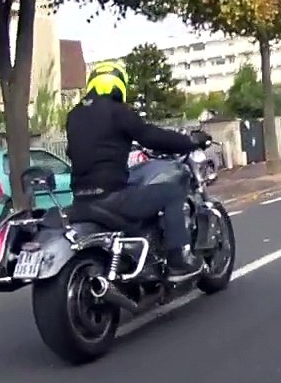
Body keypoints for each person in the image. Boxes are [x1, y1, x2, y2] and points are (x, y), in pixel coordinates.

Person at [65, 62, 211, 281]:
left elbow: (74, 150)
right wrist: (188, 142)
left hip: (80, 201)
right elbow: (150, 136)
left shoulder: (74, 115)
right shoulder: (117, 111)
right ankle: (178, 260)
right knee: (171, 192)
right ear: (119, 84)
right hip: (111, 198)